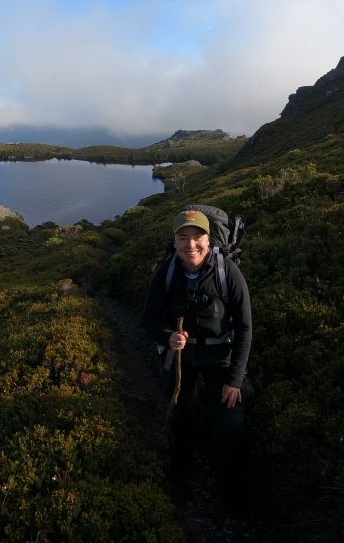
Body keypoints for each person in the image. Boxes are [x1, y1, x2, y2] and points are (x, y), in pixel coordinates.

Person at [141, 207, 252, 499]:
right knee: (180, 413)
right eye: (183, 238)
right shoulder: (166, 272)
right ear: (175, 242)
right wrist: (169, 337)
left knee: (229, 423)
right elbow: (149, 320)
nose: (191, 245)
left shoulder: (228, 271)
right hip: (182, 358)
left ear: (208, 239)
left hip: (220, 358)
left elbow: (244, 327)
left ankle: (228, 487)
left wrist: (236, 379)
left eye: (198, 237)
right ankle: (181, 467)